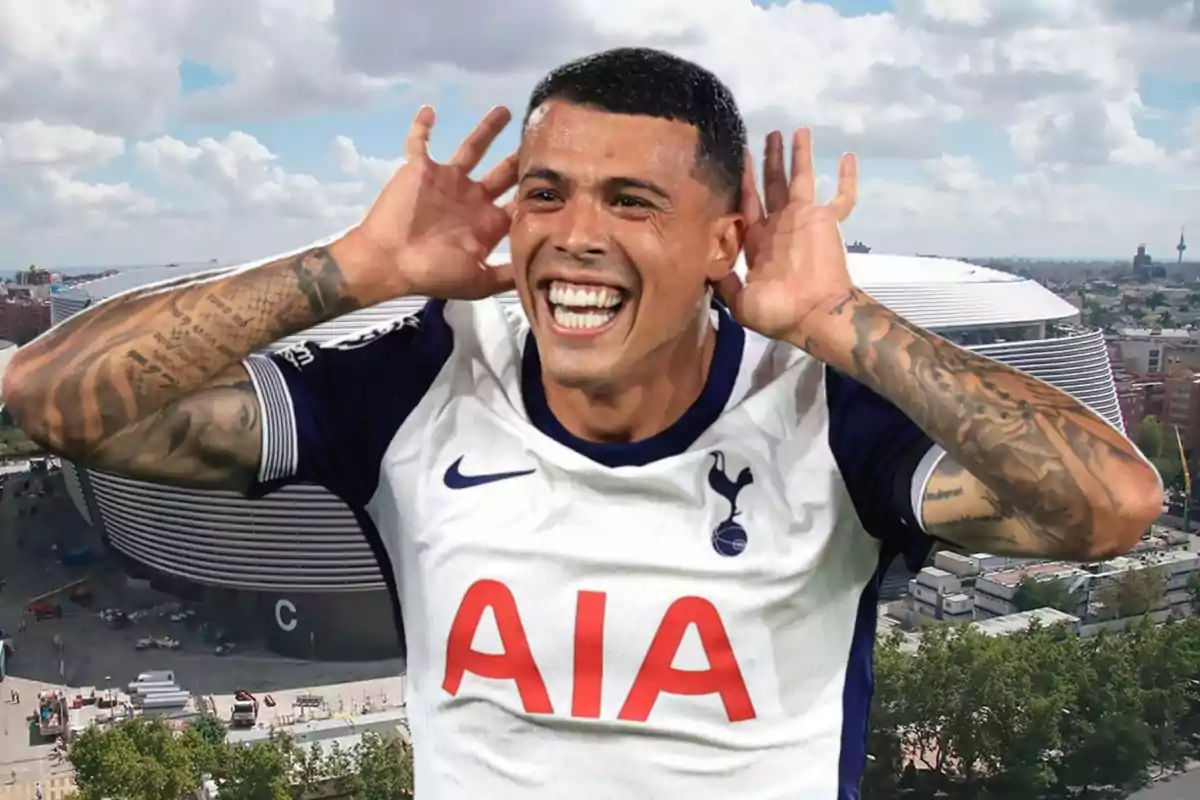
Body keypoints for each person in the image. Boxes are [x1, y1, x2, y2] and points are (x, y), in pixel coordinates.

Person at [2, 47, 1160, 799]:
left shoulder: (821, 412)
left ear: (725, 243)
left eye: (633, 199)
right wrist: (352, 269)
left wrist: (842, 320)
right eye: (545, 191)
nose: (577, 235)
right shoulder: (424, 377)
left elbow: (1109, 510)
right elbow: (49, 401)